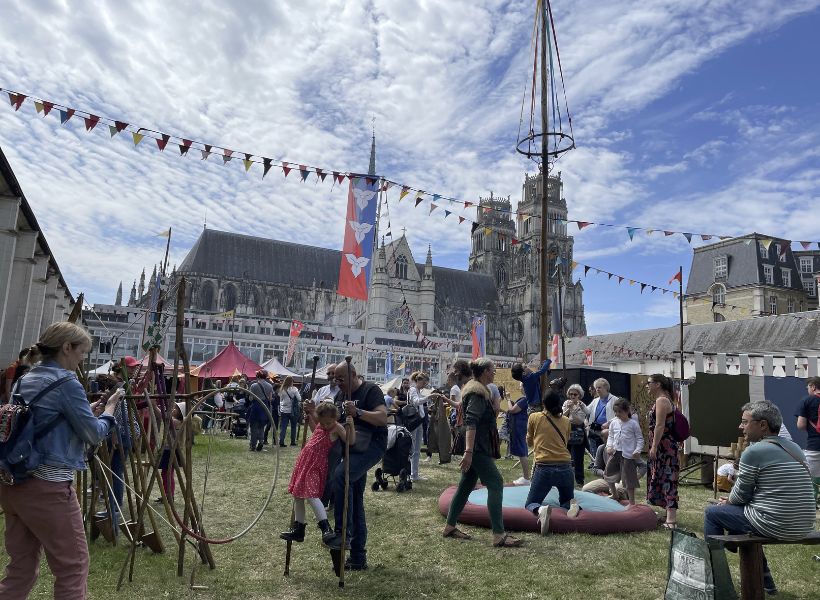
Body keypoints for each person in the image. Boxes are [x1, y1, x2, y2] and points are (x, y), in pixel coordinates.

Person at [0, 322, 124, 599]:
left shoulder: (25, 378)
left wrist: (85, 413)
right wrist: (109, 411)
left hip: (13, 482)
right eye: (82, 351)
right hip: (48, 486)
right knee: (73, 567)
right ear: (67, 347)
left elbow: (38, 421)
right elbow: (93, 434)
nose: (83, 359)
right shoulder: (66, 382)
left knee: (20, 568)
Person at [704, 401, 816, 596]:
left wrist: (729, 502)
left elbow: (740, 496)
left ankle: (715, 579)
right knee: (744, 521)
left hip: (778, 525)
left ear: (762, 425)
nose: (741, 427)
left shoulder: (754, 452)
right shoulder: (795, 448)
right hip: (803, 524)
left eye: (745, 422)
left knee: (712, 513)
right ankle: (767, 583)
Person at [443, 358, 523, 548]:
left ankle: (449, 526)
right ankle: (498, 535)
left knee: (465, 485)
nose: (495, 372)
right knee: (495, 483)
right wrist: (469, 451)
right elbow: (470, 422)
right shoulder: (477, 392)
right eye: (493, 369)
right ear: (485, 371)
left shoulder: (477, 389)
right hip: (477, 447)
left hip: (478, 446)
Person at [323, 361, 387, 571]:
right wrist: (314, 414)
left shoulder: (370, 390)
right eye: (334, 378)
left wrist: (358, 411)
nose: (337, 382)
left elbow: (382, 417)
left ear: (353, 375)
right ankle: (358, 557)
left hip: (372, 445)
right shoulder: (340, 396)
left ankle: (343, 533)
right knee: (355, 499)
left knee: (342, 475)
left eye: (340, 378)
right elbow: (331, 423)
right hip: (351, 446)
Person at [280, 402, 353, 542]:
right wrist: (310, 419)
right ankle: (299, 528)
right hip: (304, 461)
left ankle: (325, 527)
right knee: (297, 495)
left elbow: (349, 441)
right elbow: (316, 432)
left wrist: (351, 425)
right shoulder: (321, 423)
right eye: (322, 422)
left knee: (311, 494)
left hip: (317, 464)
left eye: (328, 422)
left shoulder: (337, 427)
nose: (325, 425)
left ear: (335, 418)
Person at [525, 389, 580, 535]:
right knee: (565, 500)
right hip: (566, 466)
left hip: (544, 467)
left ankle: (541, 510)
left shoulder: (534, 417)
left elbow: (529, 441)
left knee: (531, 503)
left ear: (543, 403)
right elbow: (566, 440)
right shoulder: (566, 421)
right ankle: (571, 504)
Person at [645, 374, 679, 528]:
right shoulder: (666, 399)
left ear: (658, 384)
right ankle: (668, 515)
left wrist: (653, 446)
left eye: (649, 382)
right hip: (664, 446)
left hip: (664, 447)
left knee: (668, 479)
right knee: (662, 477)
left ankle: (671, 520)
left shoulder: (662, 400)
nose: (647, 385)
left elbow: (659, 426)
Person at [604, 398, 643, 504]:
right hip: (615, 452)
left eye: (620, 411)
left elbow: (640, 438)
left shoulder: (633, 424)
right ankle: (614, 494)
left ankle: (632, 502)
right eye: (615, 411)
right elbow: (611, 436)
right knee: (609, 472)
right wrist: (609, 446)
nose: (617, 414)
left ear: (627, 411)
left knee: (629, 478)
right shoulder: (613, 423)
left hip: (628, 455)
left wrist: (637, 450)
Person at [582, 444, 647, 500]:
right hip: (607, 480)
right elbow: (595, 469)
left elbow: (644, 466)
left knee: (617, 489)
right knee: (586, 489)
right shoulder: (602, 448)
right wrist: (603, 473)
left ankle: (623, 506)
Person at [562, 383, 590, 486]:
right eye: (571, 394)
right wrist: (568, 409)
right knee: (565, 456)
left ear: (579, 395)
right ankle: (565, 478)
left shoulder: (582, 405)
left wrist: (573, 411)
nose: (572, 396)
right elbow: (561, 416)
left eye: (575, 394)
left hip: (578, 432)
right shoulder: (566, 403)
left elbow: (580, 420)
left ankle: (579, 480)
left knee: (578, 458)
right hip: (567, 431)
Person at [156, 403, 183, 502]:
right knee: (165, 473)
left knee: (167, 473)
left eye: (176, 408)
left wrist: (155, 406)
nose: (173, 409)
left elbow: (165, 418)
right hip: (168, 449)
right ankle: (166, 494)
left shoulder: (177, 422)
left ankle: (169, 495)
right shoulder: (175, 420)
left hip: (172, 450)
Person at [795, 375, 820, 478]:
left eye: (808, 387)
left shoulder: (806, 401)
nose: (808, 390)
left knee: (810, 481)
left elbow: (801, 425)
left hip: (814, 446)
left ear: (813, 387)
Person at [503, 393, 530, 484]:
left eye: (521, 385)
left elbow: (512, 410)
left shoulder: (524, 399)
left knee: (521, 452)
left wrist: (508, 399)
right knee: (522, 451)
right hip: (521, 426)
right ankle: (526, 477)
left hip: (519, 427)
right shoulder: (526, 399)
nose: (520, 388)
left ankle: (526, 477)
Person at [586, 378, 617, 458]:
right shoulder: (595, 400)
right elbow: (587, 411)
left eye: (599, 387)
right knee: (595, 452)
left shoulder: (615, 400)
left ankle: (606, 467)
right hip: (594, 429)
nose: (597, 389)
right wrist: (580, 405)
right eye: (596, 387)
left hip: (607, 431)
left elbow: (619, 416)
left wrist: (609, 423)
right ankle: (596, 467)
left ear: (606, 388)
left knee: (606, 451)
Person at [407, 371, 429, 482]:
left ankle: (414, 474)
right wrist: (429, 397)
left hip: (418, 421)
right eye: (424, 383)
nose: (425, 385)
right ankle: (412, 474)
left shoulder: (417, 390)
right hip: (413, 421)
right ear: (418, 380)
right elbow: (416, 402)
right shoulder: (412, 390)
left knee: (416, 449)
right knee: (413, 448)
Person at [249, 370, 274, 452]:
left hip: (256, 407)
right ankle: (261, 441)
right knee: (261, 427)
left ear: (258, 376)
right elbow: (270, 399)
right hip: (265, 407)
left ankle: (253, 445)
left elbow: (250, 398)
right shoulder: (270, 386)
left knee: (253, 427)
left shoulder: (253, 386)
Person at [278, 376, 301, 447]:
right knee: (293, 427)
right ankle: (292, 442)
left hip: (284, 410)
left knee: (283, 426)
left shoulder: (282, 389)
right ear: (292, 381)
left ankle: (281, 441)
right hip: (293, 411)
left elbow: (281, 400)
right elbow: (299, 398)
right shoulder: (294, 389)